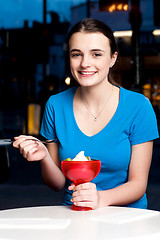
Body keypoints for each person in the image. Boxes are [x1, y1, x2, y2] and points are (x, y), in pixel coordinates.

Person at [13, 18, 159, 210]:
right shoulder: (55, 105)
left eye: (96, 54)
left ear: (113, 58)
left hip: (126, 218)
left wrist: (99, 198)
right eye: (76, 54)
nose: (85, 63)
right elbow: (57, 184)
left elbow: (138, 185)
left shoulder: (138, 106)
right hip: (75, 215)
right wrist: (44, 157)